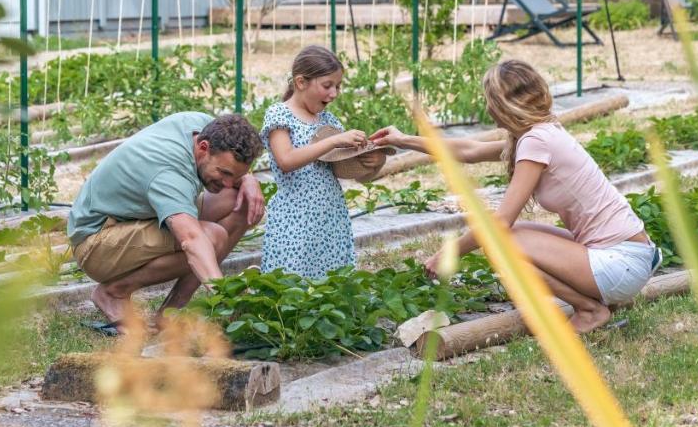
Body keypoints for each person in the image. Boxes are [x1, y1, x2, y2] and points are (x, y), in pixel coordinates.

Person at [370, 59, 659, 333]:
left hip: (621, 264)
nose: (486, 107)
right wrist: (403, 139)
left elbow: (500, 223)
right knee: (513, 236)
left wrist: (448, 252)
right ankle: (599, 302)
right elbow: (468, 151)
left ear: (502, 104)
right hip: (628, 259)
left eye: (488, 99)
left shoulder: (536, 140)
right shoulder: (538, 133)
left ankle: (589, 310)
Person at [68, 111, 265, 332]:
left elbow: (232, 176)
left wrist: (248, 180)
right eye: (224, 172)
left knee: (241, 200)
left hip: (136, 218)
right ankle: (113, 292)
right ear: (203, 148)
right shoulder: (169, 172)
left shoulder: (203, 125)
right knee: (212, 237)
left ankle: (169, 314)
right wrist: (225, 299)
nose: (229, 183)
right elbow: (191, 239)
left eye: (235, 175)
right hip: (96, 242)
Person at [260, 45, 367, 278]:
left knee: (331, 279)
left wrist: (370, 158)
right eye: (327, 85)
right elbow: (286, 160)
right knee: (291, 277)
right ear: (301, 82)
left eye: (338, 86)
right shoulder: (280, 115)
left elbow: (342, 168)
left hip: (329, 214)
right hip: (294, 217)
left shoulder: (328, 120)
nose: (334, 93)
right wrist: (334, 141)